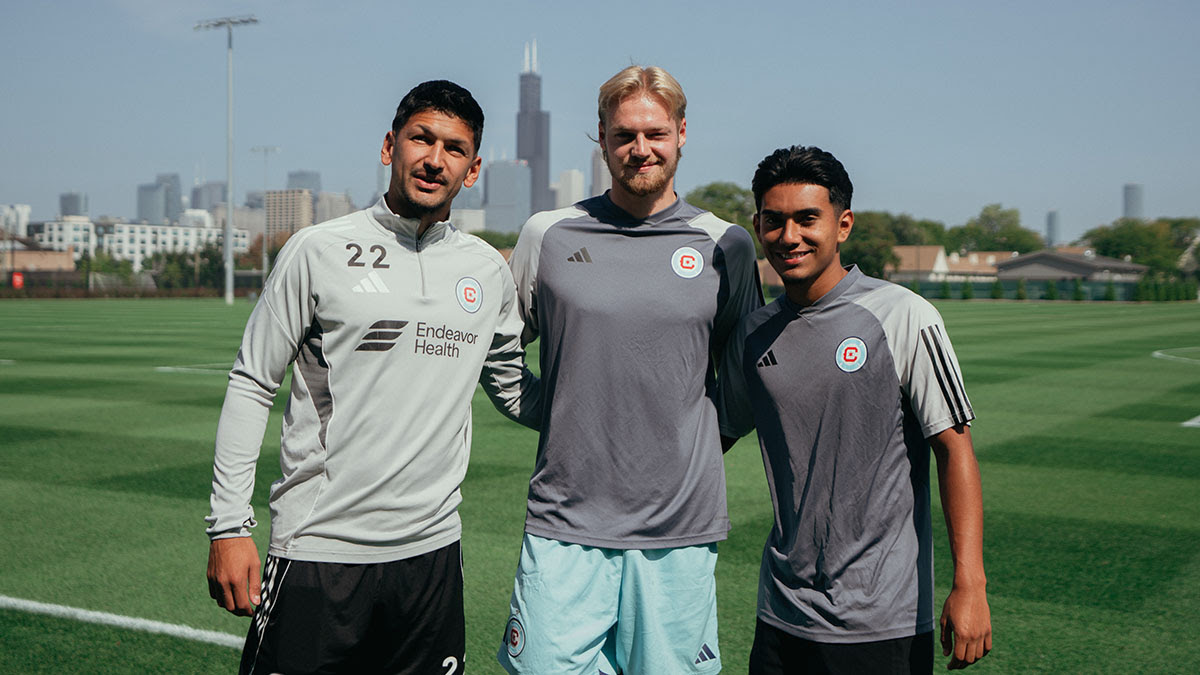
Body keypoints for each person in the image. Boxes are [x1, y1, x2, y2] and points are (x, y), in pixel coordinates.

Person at [205, 80, 540, 675]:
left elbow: (515, 390)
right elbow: (253, 381)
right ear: (390, 146)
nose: (435, 159)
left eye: (455, 149)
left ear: (473, 169)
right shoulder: (318, 250)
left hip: (432, 558)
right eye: (421, 139)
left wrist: (617, 404)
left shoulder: (487, 270)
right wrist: (229, 527)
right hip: (319, 550)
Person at [498, 65, 762, 674]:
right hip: (565, 520)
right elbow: (499, 347)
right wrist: (547, 411)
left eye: (655, 133)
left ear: (681, 133)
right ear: (602, 138)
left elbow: (744, 375)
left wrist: (695, 444)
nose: (640, 149)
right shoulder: (548, 234)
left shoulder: (726, 244)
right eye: (624, 135)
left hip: (678, 528)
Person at [717, 145, 992, 673]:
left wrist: (970, 584)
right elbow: (712, 437)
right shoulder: (752, 335)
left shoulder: (904, 315)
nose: (789, 236)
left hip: (881, 619)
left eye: (807, 219)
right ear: (757, 227)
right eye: (774, 221)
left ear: (842, 225)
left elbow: (955, 449)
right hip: (781, 614)